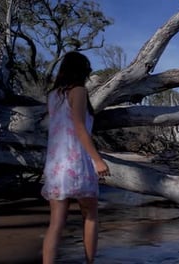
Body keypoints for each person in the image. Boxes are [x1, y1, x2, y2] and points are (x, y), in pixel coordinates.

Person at [41, 51, 110, 264]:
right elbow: (80, 128)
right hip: (76, 162)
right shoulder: (78, 91)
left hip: (55, 164)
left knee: (56, 224)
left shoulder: (53, 96)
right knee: (90, 215)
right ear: (81, 72)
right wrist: (98, 160)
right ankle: (90, 262)